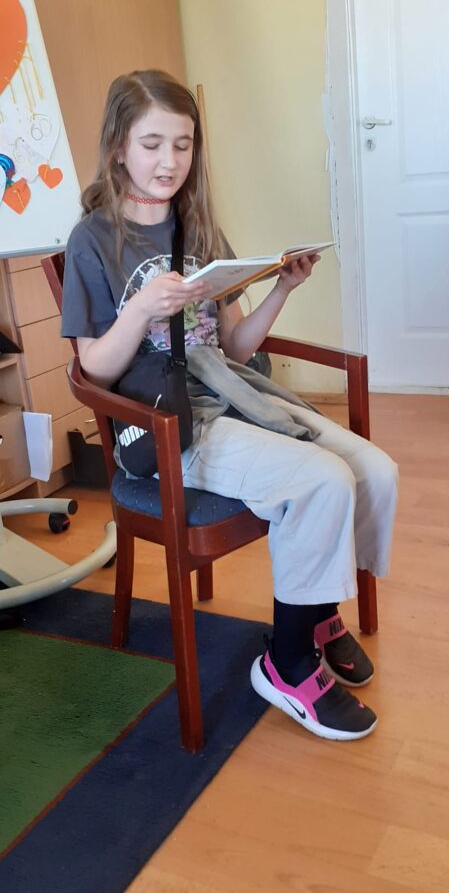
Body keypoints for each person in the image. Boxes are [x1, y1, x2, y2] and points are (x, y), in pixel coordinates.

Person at [61, 69, 398, 743]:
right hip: (166, 424)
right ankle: (288, 662)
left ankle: (314, 614)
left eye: (182, 145)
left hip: (233, 394)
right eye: (151, 144)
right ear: (118, 147)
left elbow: (236, 349)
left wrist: (281, 290)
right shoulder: (92, 240)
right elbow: (92, 367)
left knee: (373, 469)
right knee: (319, 480)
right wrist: (140, 309)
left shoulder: (200, 229)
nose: (169, 161)